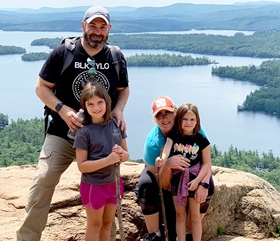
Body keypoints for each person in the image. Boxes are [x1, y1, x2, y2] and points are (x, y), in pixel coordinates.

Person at [17, 6, 129, 241]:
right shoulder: (63, 53)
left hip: (101, 139)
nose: (97, 32)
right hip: (62, 134)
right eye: (92, 26)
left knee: (106, 195)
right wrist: (62, 109)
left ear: (109, 29)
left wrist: (118, 109)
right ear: (83, 26)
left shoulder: (115, 57)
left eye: (102, 27)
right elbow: (41, 87)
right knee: (43, 182)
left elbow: (123, 89)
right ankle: (27, 238)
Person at [137, 96, 214, 241]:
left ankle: (190, 230)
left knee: (209, 186)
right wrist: (166, 164)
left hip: (193, 172)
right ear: (154, 119)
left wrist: (202, 184)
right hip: (165, 176)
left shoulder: (195, 131)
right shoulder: (154, 142)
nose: (164, 118)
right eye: (159, 115)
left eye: (168, 113)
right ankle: (155, 234)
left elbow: (206, 162)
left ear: (176, 113)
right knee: (145, 186)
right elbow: (163, 184)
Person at [74, 82, 129, 241]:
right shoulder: (84, 132)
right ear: (84, 106)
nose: (96, 107)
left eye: (100, 102)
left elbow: (126, 155)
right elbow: (82, 166)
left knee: (107, 224)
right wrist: (109, 160)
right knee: (95, 225)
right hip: (94, 186)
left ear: (107, 102)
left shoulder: (116, 125)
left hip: (113, 183)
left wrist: (121, 154)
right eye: (90, 104)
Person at [159, 103, 212, 241]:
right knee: (180, 215)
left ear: (197, 121)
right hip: (178, 178)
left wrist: (197, 181)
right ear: (179, 120)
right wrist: (162, 159)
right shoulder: (174, 136)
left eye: (192, 120)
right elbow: (166, 150)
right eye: (185, 119)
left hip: (195, 177)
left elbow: (206, 163)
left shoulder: (202, 140)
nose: (188, 123)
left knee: (194, 216)